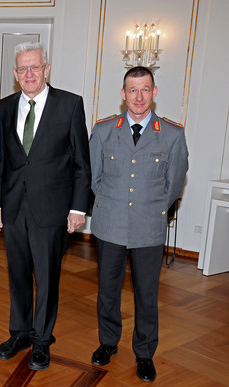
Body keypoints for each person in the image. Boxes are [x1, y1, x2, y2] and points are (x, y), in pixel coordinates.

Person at [0, 41, 91, 371]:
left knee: (47, 277)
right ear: (15, 74)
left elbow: (81, 163)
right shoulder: (3, 108)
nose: (29, 74)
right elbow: (0, 162)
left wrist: (79, 208)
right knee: (18, 274)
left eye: (35, 67)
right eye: (22, 69)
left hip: (53, 209)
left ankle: (42, 340)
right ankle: (19, 332)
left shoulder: (70, 105)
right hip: (14, 206)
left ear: (46, 69)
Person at [89, 66, 188, 382]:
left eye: (145, 89)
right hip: (110, 226)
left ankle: (144, 354)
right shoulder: (103, 130)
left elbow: (174, 184)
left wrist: (153, 209)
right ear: (123, 94)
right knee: (108, 291)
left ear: (154, 92)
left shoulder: (172, 134)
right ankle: (108, 343)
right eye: (133, 90)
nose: (139, 96)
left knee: (146, 296)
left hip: (148, 229)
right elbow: (95, 178)